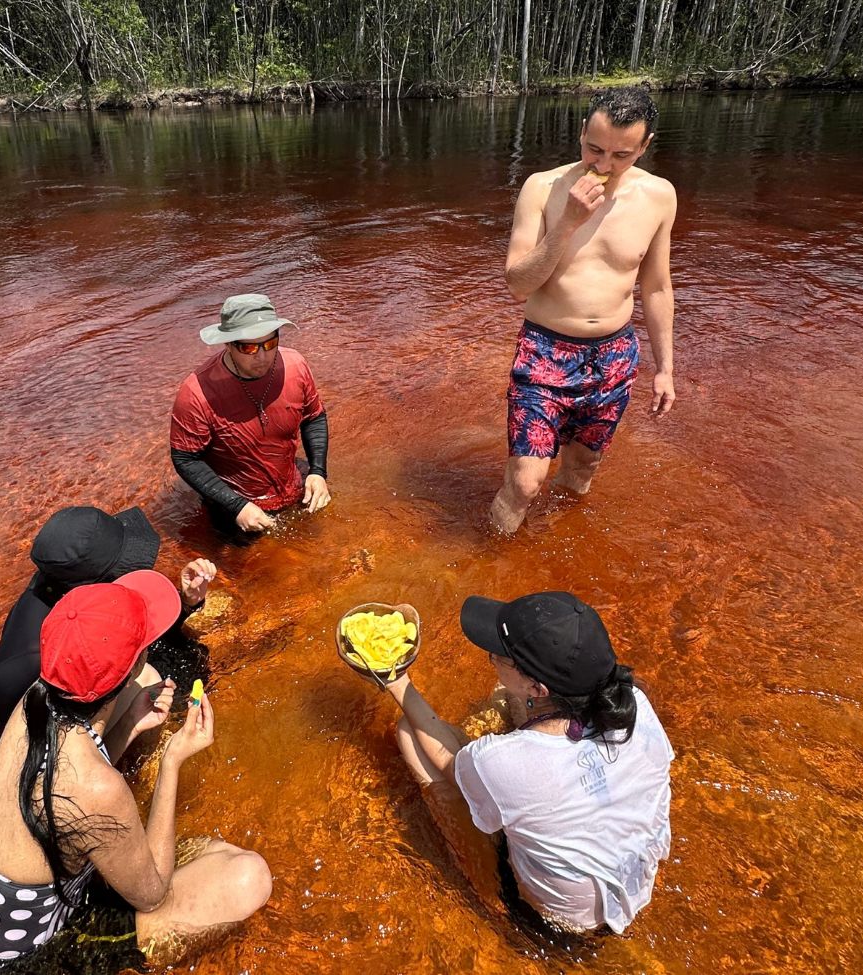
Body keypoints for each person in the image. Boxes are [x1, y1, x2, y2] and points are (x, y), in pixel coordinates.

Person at [0, 571, 272, 972]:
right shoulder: (95, 788)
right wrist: (173, 759)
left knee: (213, 854)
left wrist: (131, 724)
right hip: (30, 957)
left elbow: (64, 788)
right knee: (247, 876)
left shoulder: (33, 699)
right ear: (134, 663)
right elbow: (152, 896)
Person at [372, 591, 673, 934]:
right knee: (506, 697)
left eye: (498, 656)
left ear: (538, 688)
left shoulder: (507, 762)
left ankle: (486, 895)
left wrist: (396, 680)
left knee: (410, 735)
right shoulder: (635, 702)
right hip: (633, 887)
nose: (492, 659)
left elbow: (446, 761)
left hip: (554, 925)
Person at [492, 87, 677, 533]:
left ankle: (553, 555)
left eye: (621, 155)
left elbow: (656, 287)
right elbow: (517, 285)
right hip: (545, 351)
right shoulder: (542, 188)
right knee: (525, 482)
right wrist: (567, 223)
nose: (603, 165)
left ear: (645, 146)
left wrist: (665, 368)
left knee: (582, 469)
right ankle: (491, 557)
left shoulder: (659, 196)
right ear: (581, 134)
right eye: (594, 149)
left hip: (614, 357)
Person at [0, 505, 216, 760]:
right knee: (150, 677)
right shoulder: (33, 665)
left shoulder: (59, 582)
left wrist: (186, 602)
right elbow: (9, 756)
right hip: (62, 736)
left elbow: (138, 631)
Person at [170, 294, 330, 534]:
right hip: (235, 504)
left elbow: (313, 417)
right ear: (228, 344)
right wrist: (236, 506)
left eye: (270, 343)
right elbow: (186, 458)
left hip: (293, 485)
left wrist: (318, 472)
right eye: (249, 347)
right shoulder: (196, 393)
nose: (262, 357)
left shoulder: (295, 365)